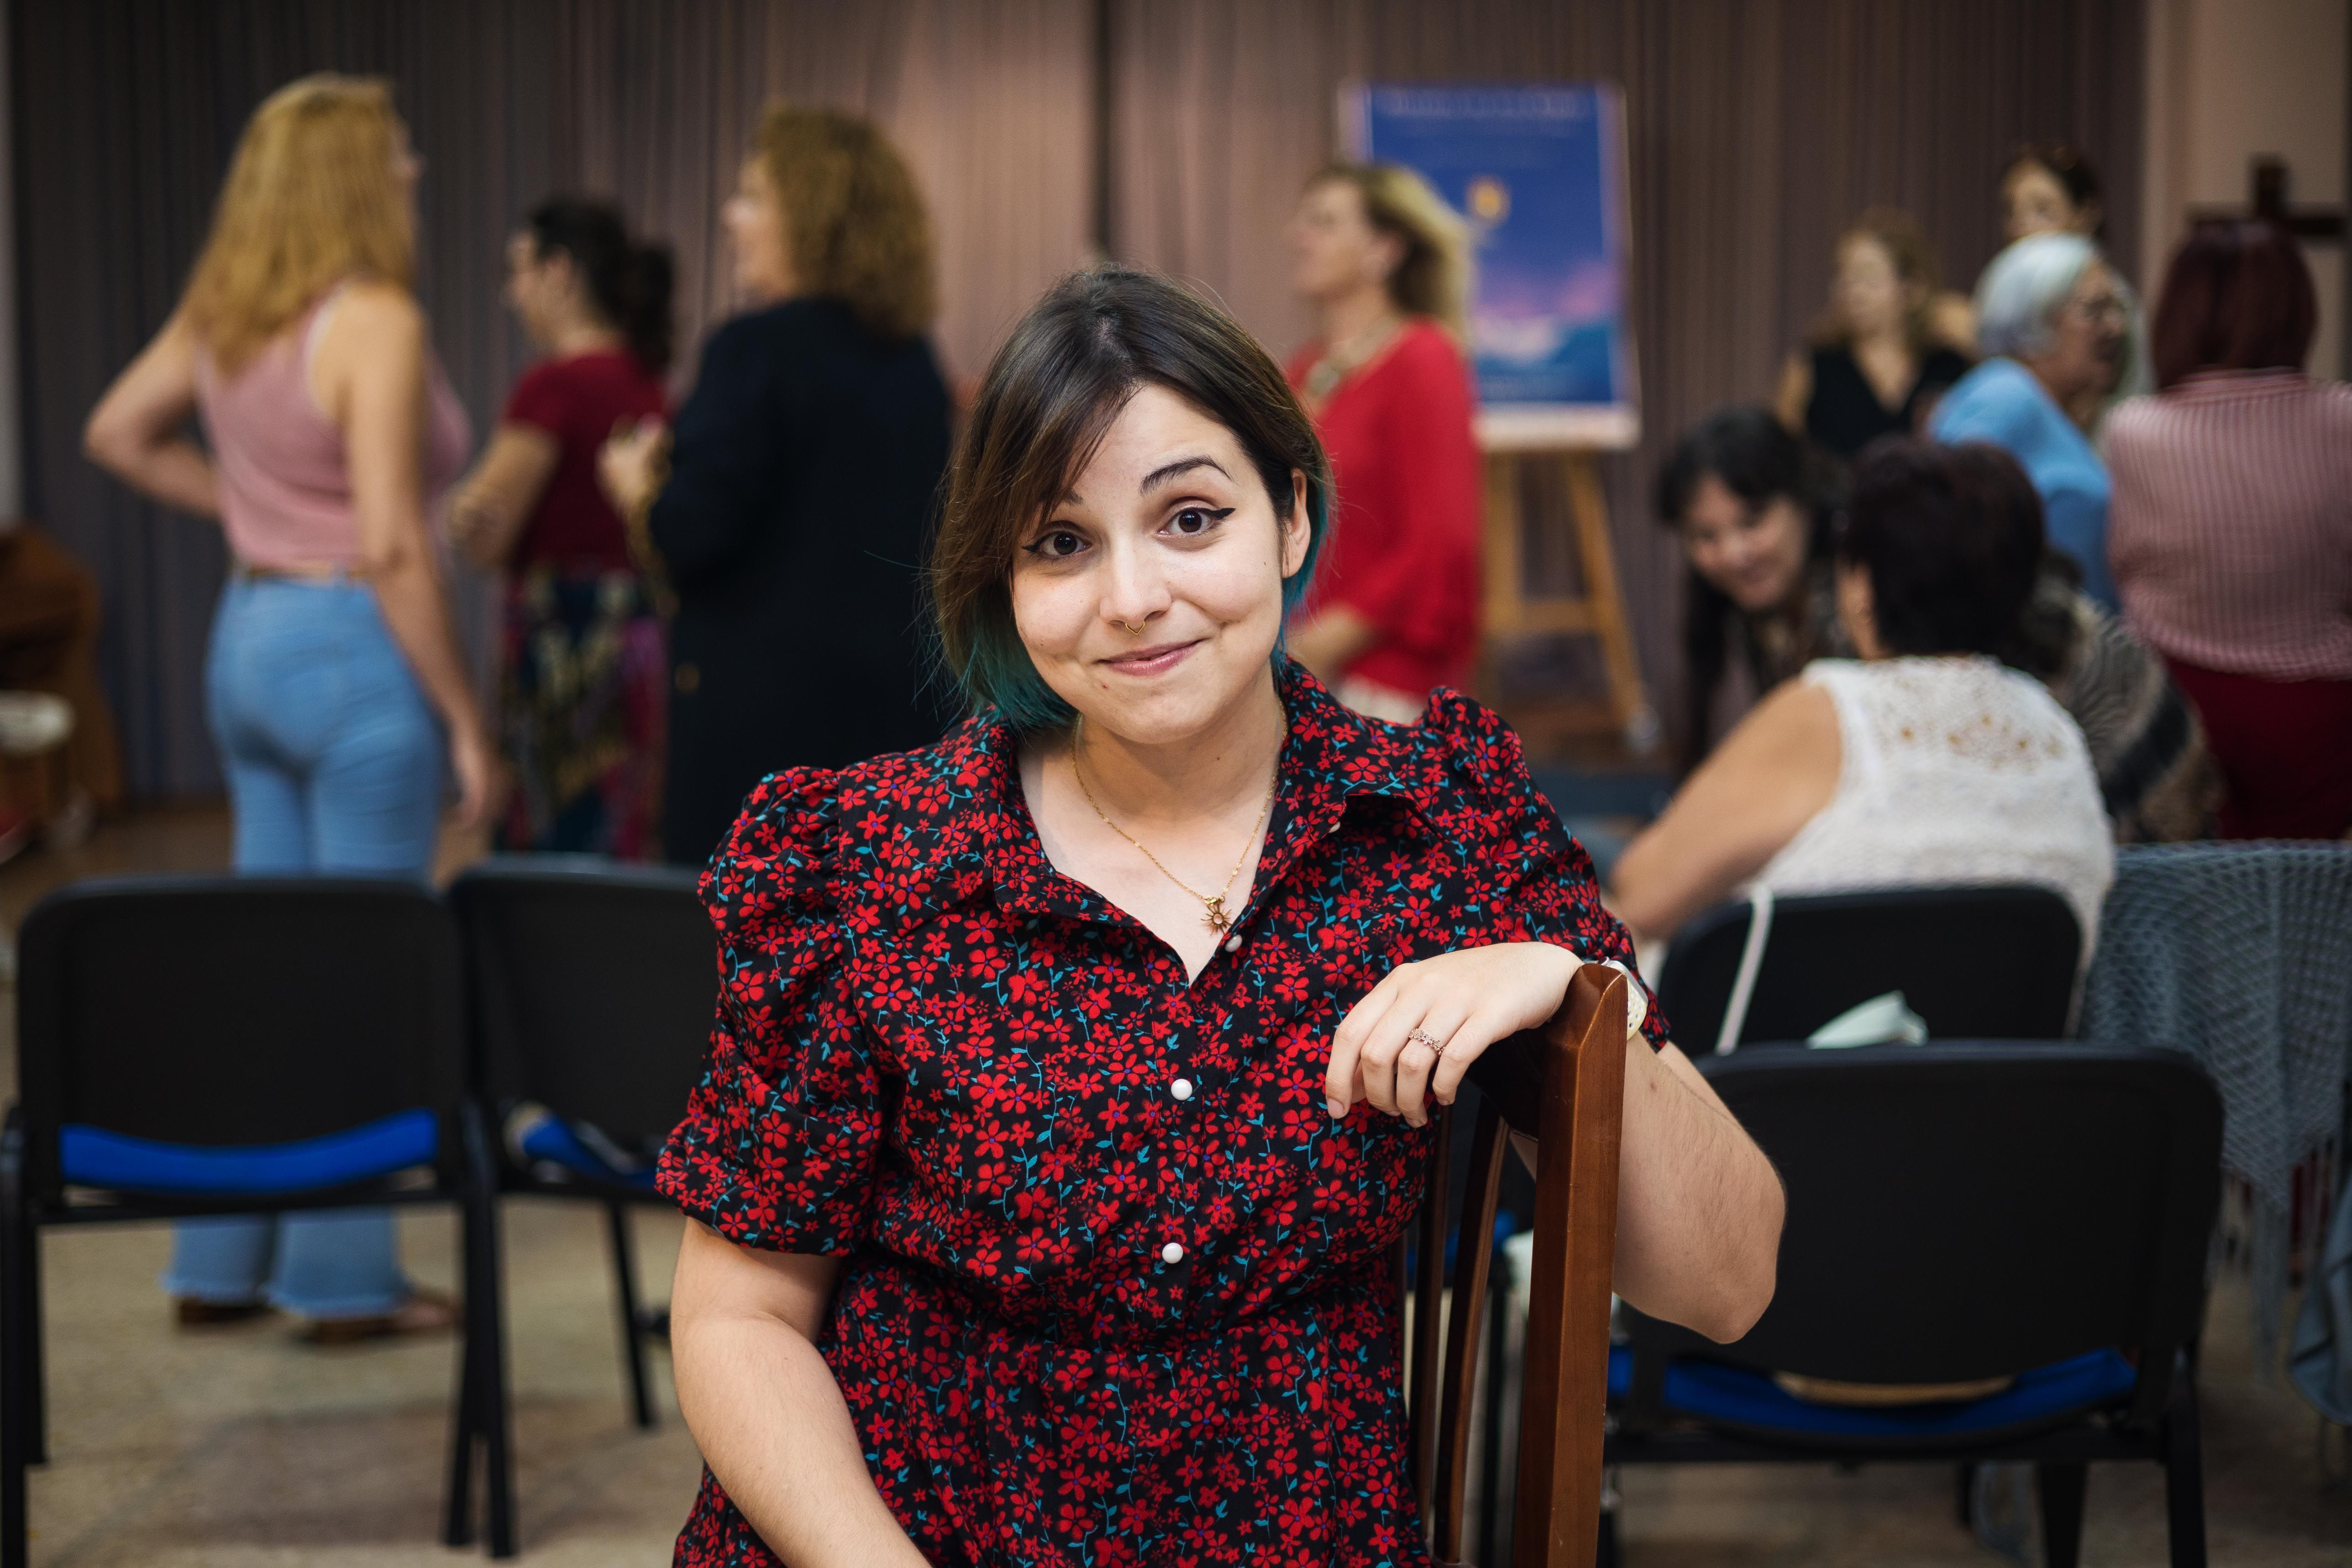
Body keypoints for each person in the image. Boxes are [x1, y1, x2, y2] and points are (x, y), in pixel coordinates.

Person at [658, 266, 1783, 1567]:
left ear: (1292, 515)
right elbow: (740, 1319)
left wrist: (1571, 979)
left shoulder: (1436, 830)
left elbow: (1728, 1280)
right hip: (910, 1534)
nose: (1133, 595)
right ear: (1003, 579)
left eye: (1189, 517)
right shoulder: (866, 867)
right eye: (1061, 542)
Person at [82, 74, 486, 1340]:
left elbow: (116, 431)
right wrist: (469, 720)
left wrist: (255, 520)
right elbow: (395, 546)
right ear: (355, 177)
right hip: (351, 655)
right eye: (398, 152)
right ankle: (342, 1281)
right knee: (361, 974)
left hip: (246, 643)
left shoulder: (227, 311)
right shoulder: (372, 318)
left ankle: (219, 1261)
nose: (414, 168)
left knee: (268, 965)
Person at [599, 105, 951, 868]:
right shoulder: (915, 363)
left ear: (811, 216)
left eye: (753, 196)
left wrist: (636, 486)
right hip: (896, 730)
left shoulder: (752, 350)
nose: (731, 217)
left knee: (744, 969)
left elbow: (689, 533)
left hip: (759, 745)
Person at [1617, 439, 2114, 951]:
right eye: (1705, 535)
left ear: (1860, 588)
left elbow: (1643, 894)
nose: (1734, 551)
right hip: (2024, 1032)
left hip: (1800, 1028)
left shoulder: (1831, 710)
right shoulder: (2059, 734)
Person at [1659, 406, 2215, 842]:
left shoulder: (1871, 577)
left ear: (1803, 500)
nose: (1732, 553)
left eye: (1752, 522)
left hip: (2132, 779)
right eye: (1704, 536)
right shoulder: (1778, 604)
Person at [2108, 220, 2352, 839]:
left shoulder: (2134, 431)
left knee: (2191, 908)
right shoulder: (2342, 421)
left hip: (2174, 708)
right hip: (2315, 717)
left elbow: (2125, 566)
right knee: (2305, 909)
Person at [449, 197, 672, 859]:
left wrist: (451, 514)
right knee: (620, 828)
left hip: (561, 648)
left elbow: (486, 530)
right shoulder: (647, 382)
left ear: (561, 272)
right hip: (637, 639)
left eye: (519, 271)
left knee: (548, 832)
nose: (511, 294)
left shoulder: (553, 387)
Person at [1281, 162, 1483, 723]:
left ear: (1384, 251)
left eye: (1324, 222)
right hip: (1301, 665)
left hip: (1385, 675)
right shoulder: (1306, 368)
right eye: (1303, 220)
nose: (1299, 236)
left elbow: (1440, 543)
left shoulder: (1424, 358)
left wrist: (1321, 643)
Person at [1929, 233, 2127, 609]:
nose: (2116, 326)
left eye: (2117, 309)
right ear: (2033, 320)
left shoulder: (2045, 405)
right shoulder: (2007, 393)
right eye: (2095, 310)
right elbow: (1941, 521)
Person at [1773, 209, 1973, 460]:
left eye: (1868, 277)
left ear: (1910, 288)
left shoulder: (1948, 365)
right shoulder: (1811, 367)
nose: (1854, 292)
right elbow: (1778, 462)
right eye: (1845, 278)